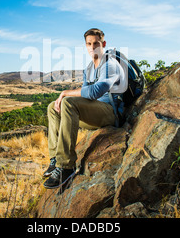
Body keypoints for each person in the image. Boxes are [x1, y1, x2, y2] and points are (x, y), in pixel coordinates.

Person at [43, 28, 126, 189]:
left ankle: (66, 167)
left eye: (96, 43)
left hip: (109, 113)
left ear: (103, 44)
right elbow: (84, 94)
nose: (92, 47)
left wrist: (65, 93)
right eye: (89, 44)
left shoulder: (110, 65)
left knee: (67, 101)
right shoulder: (88, 69)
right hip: (93, 113)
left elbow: (95, 91)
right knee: (53, 107)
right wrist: (61, 99)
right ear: (85, 45)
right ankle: (55, 160)